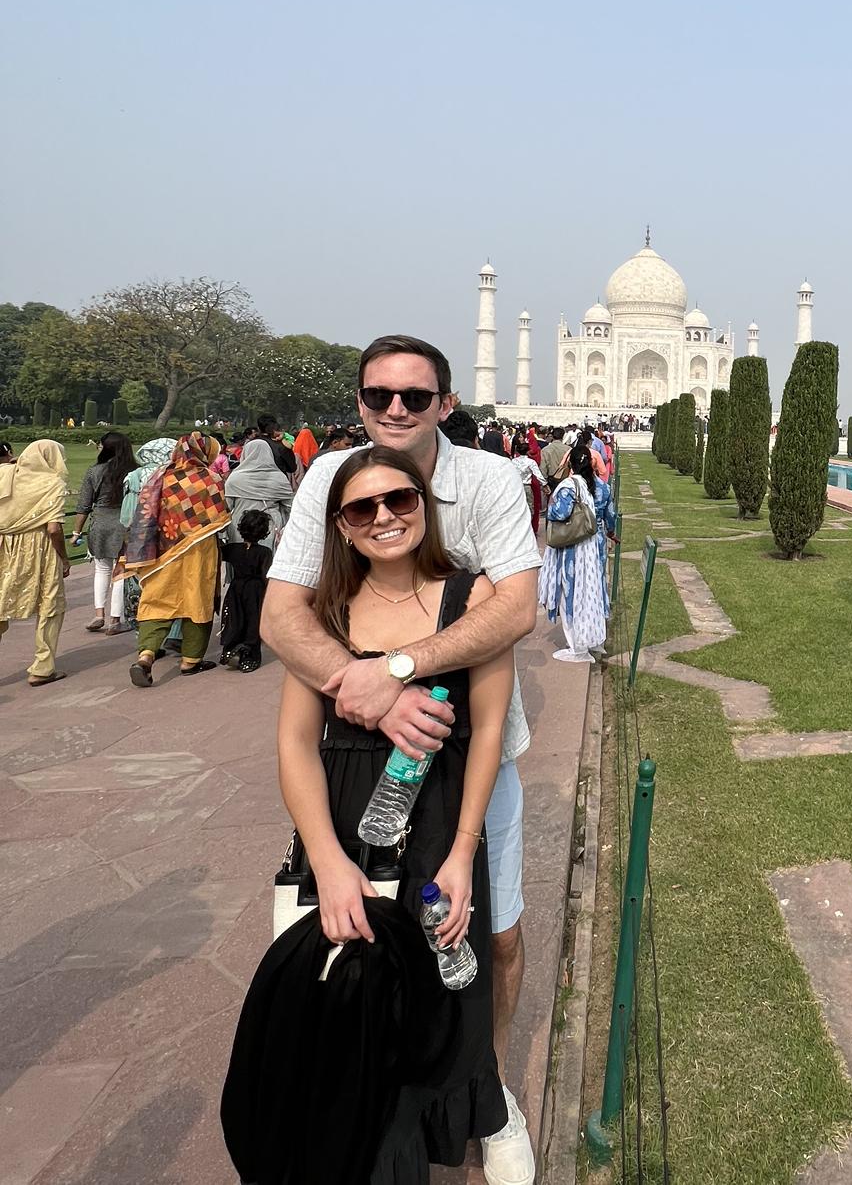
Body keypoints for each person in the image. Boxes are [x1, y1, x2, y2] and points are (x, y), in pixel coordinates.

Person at [260, 334, 540, 1184]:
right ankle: (387, 1099)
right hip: (351, 774)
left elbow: (514, 611)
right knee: (368, 951)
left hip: (461, 771)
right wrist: (362, 682)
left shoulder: (487, 480)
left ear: (444, 405)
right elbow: (283, 617)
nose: (394, 410)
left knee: (490, 939)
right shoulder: (326, 479)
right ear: (359, 403)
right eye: (377, 395)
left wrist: (400, 668)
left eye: (414, 397)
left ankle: (484, 1093)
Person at [121, 431, 230, 687]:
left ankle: (146, 656)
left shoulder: (160, 476)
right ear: (203, 452)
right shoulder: (211, 479)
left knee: (157, 599)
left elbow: (147, 512)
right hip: (199, 551)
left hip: (164, 550)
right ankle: (190, 660)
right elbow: (220, 516)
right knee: (197, 600)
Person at [0, 440, 71, 686]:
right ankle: (42, 668)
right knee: (49, 606)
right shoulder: (53, 483)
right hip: (40, 547)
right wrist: (64, 558)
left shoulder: (4, 473)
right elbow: (54, 529)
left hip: (3, 545)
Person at [537, 439, 613, 663]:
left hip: (572, 547)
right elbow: (610, 516)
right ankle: (593, 637)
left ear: (570, 463)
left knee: (572, 593)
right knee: (592, 591)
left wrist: (550, 507)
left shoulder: (570, 486)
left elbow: (559, 514)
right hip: (592, 542)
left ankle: (578, 645)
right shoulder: (600, 486)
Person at [71, 430, 136, 634]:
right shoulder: (134, 472)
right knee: (121, 571)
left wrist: (76, 532)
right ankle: (115, 620)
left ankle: (99, 614)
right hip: (125, 523)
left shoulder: (95, 471)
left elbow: (83, 505)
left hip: (99, 522)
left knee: (102, 569)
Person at [219, 507, 273, 670]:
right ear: (264, 532)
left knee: (235, 618)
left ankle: (231, 647)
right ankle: (249, 654)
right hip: (255, 590)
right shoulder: (264, 552)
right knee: (253, 620)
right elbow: (266, 575)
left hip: (236, 587)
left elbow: (218, 552)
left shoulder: (233, 549)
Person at [225, 436, 295, 548]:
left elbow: (226, 509)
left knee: (239, 560)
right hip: (268, 529)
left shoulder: (235, 478)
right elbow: (290, 508)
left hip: (240, 529)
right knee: (266, 561)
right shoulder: (279, 478)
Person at [509, 441, 546, 537]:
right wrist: (545, 485)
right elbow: (538, 475)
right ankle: (528, 528)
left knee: (517, 507)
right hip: (527, 487)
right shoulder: (531, 462)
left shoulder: (513, 461)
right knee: (530, 509)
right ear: (528, 451)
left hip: (516, 487)